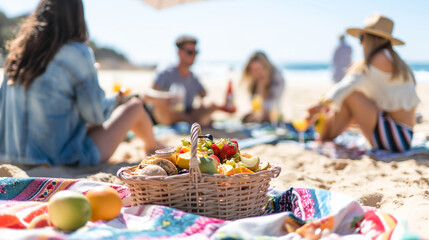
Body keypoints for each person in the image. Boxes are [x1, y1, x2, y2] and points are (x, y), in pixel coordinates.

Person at [0, 0, 163, 167]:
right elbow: (96, 115)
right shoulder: (76, 53)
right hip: (59, 159)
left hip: (9, 157)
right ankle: (155, 147)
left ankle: (155, 147)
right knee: (135, 107)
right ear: (77, 16)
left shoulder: (18, 55)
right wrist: (117, 100)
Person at [307, 14, 420, 153]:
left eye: (361, 38)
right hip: (403, 136)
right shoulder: (392, 59)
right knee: (349, 97)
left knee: (350, 95)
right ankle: (324, 137)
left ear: (370, 39)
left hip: (394, 137)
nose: (360, 43)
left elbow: (347, 86)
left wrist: (319, 106)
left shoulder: (378, 58)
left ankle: (323, 139)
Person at [144, 35, 229, 126]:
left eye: (196, 52)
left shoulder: (193, 77)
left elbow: (204, 95)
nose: (194, 56)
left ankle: (192, 121)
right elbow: (147, 95)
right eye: (190, 52)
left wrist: (214, 105)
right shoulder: (166, 72)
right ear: (180, 53)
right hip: (166, 116)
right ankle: (194, 122)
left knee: (211, 104)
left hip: (186, 112)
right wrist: (165, 97)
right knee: (161, 102)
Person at [240, 51, 285, 123]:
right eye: (253, 70)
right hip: (261, 118)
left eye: (259, 69)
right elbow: (256, 108)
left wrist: (262, 87)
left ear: (266, 68)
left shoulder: (276, 79)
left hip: (274, 119)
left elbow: (272, 107)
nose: (256, 73)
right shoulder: (253, 81)